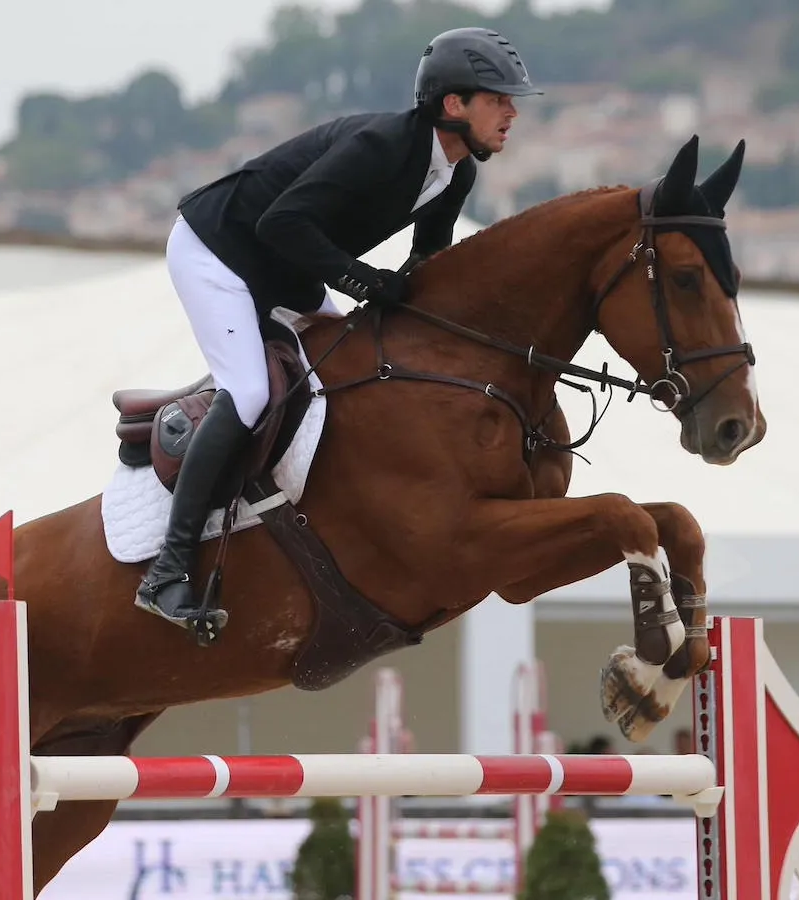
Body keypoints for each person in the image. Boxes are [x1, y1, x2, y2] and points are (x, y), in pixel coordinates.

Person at [135, 26, 544, 635]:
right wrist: (362, 280)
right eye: (497, 98)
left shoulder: (454, 174)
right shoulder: (382, 146)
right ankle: (166, 572)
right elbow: (281, 222)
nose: (512, 111)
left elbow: (429, 261)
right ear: (453, 105)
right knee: (248, 392)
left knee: (350, 354)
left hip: (285, 265)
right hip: (217, 251)